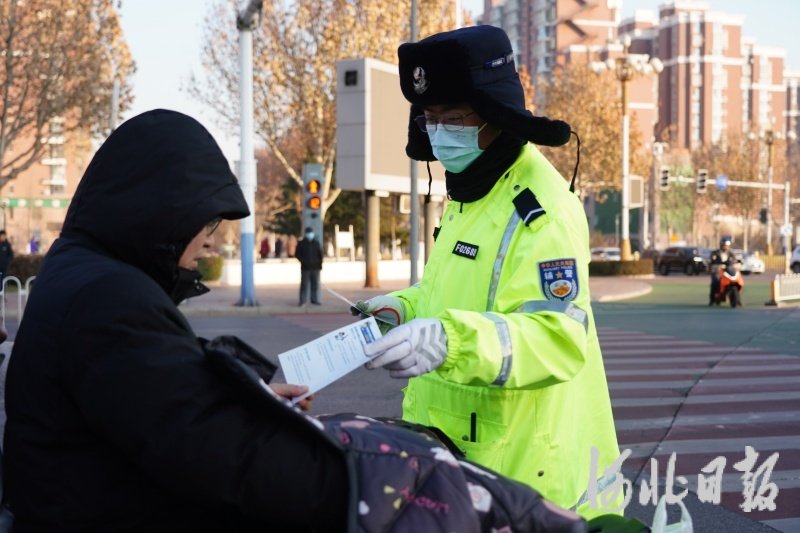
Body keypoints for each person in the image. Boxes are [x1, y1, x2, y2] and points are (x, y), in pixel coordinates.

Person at [3, 110, 349, 531]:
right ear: (163, 211)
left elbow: (159, 389)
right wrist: (363, 479)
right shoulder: (111, 296)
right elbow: (215, 451)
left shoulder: (82, 268)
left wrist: (246, 398)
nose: (209, 240)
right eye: (206, 221)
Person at [356, 25, 620, 519]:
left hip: (523, 478)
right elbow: (450, 293)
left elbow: (558, 339)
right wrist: (402, 308)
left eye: (453, 118)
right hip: (457, 460)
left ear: (495, 112)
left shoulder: (540, 209)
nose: (439, 132)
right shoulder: (471, 191)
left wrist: (449, 341)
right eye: (430, 119)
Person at [295, 226, 322, 306]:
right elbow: (297, 254)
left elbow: (320, 255)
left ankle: (314, 300)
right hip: (305, 268)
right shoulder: (301, 243)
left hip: (315, 268)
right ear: (306, 234)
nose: (310, 234)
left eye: (311, 232)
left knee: (315, 285)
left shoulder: (316, 243)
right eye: (308, 232)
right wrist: (303, 261)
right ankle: (302, 301)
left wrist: (319, 265)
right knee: (304, 285)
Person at [708, 236, 738, 305]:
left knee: (734, 281)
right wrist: (714, 266)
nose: (725, 247)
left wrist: (735, 264)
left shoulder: (731, 254)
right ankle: (712, 299)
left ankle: (736, 299)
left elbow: (735, 261)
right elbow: (711, 262)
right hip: (718, 271)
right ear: (721, 245)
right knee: (715, 282)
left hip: (728, 271)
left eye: (727, 245)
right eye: (724, 245)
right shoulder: (715, 253)